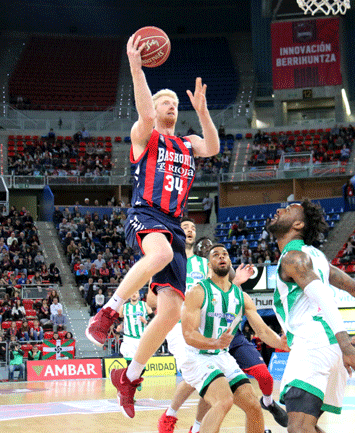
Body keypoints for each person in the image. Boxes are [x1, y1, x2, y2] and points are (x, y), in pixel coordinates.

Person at [85, 31, 219, 418]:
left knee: (171, 311)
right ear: (154, 108)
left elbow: (212, 147)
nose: (171, 106)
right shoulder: (145, 137)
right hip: (146, 212)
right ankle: (108, 312)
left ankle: (129, 377)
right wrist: (136, 68)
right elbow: (144, 115)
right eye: (165, 102)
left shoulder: (188, 142)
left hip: (174, 223)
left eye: (175, 103)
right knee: (159, 254)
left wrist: (204, 111)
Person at [266, 200, 355, 433]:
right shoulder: (316, 256)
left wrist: (347, 345)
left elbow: (324, 298)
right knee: (306, 426)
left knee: (298, 428)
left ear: (298, 224)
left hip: (314, 345)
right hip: (330, 350)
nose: (279, 210)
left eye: (288, 210)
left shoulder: (294, 258)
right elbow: (352, 287)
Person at [160, 223, 287, 433]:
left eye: (225, 254)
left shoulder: (241, 297)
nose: (221, 257)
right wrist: (215, 342)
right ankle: (180, 418)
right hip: (197, 356)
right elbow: (188, 335)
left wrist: (281, 342)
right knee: (223, 401)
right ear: (208, 264)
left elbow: (263, 331)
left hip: (222, 356)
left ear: (230, 262)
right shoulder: (197, 292)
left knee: (254, 406)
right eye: (215, 255)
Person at [116, 292, 152, 359]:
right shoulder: (124, 307)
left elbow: (154, 319)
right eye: (132, 292)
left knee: (141, 362)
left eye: (136, 293)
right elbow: (119, 320)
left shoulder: (145, 305)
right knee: (129, 361)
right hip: (129, 339)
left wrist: (146, 322)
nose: (134, 294)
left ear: (138, 295)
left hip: (142, 338)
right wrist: (118, 329)